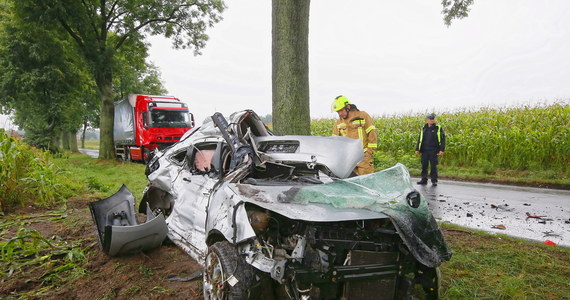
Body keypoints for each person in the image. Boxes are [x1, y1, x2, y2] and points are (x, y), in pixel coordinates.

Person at [331, 95, 377, 175]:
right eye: (338, 112)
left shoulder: (363, 116)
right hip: (348, 161)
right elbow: (334, 142)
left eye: (341, 110)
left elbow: (372, 134)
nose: (339, 114)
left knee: (366, 184)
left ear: (348, 107)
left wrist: (369, 153)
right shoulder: (338, 123)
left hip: (363, 159)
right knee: (351, 185)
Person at [415, 113, 446, 186]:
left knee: (433, 166)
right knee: (424, 166)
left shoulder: (438, 128)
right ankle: (424, 179)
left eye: (433, 119)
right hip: (424, 150)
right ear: (427, 120)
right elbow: (420, 139)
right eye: (430, 119)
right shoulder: (424, 128)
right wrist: (417, 149)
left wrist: (442, 149)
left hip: (434, 150)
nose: (432, 120)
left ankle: (434, 180)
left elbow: (443, 139)